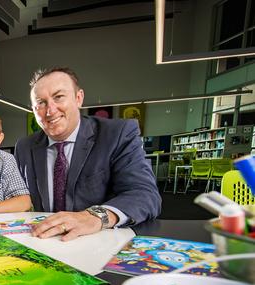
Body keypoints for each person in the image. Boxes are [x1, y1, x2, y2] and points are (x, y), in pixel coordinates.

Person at [15, 67, 160, 240]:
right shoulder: (24, 147)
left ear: (78, 98)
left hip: (98, 244)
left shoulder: (117, 134)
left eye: (58, 97)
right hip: (43, 243)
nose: (50, 110)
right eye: (41, 102)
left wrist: (95, 216)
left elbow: (144, 194)